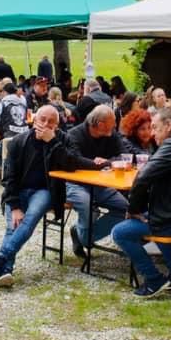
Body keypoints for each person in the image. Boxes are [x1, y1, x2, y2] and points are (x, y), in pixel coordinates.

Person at [111, 106, 171, 298]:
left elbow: (142, 178)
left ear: (169, 125)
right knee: (153, 219)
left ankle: (154, 279)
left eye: (155, 127)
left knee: (120, 232)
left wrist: (134, 209)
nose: (152, 133)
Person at [0, 105, 70, 287]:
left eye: (51, 122)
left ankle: (0, 257)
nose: (45, 124)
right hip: (18, 191)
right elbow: (9, 178)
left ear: (57, 125)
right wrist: (15, 207)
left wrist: (52, 141)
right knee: (13, 226)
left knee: (30, 217)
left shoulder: (62, 140)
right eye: (42, 119)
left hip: (44, 191)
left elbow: (70, 162)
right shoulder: (18, 141)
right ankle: (5, 270)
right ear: (34, 120)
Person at [64, 105, 129, 260]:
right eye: (113, 122)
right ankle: (85, 236)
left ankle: (81, 235)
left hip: (100, 184)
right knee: (86, 204)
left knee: (125, 209)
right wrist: (97, 164)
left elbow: (124, 155)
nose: (115, 125)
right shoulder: (74, 134)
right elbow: (74, 160)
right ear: (100, 124)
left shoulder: (111, 134)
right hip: (75, 183)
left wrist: (105, 162)